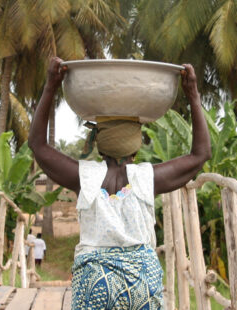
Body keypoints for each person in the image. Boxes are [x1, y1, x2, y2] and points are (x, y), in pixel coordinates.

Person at [28, 57, 211, 309]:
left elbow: (38, 145)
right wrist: (193, 96)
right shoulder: (149, 178)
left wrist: (50, 86)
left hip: (95, 281)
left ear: (99, 143)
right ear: (136, 145)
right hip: (141, 283)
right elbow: (200, 154)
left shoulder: (84, 177)